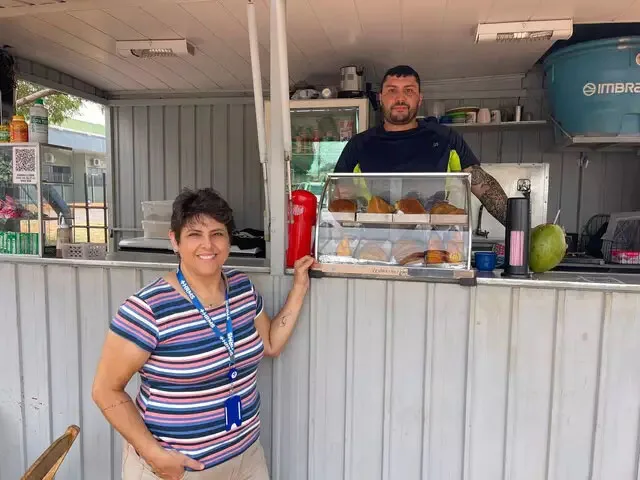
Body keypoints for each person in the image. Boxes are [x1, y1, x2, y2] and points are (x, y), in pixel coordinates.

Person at [92, 188, 315, 480]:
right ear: (175, 240)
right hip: (179, 469)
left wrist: (299, 287)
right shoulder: (148, 308)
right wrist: (153, 453)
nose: (207, 244)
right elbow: (105, 389)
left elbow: (270, 343)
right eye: (194, 234)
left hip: (245, 458)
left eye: (217, 233)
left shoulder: (241, 288)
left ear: (228, 239)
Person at [334, 65, 508, 225]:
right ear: (380, 98)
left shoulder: (445, 138)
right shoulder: (359, 145)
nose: (400, 98)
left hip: (434, 246)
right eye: (392, 90)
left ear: (419, 98)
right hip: (375, 246)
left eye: (409, 91)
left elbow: (484, 187)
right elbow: (340, 201)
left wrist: (518, 229)